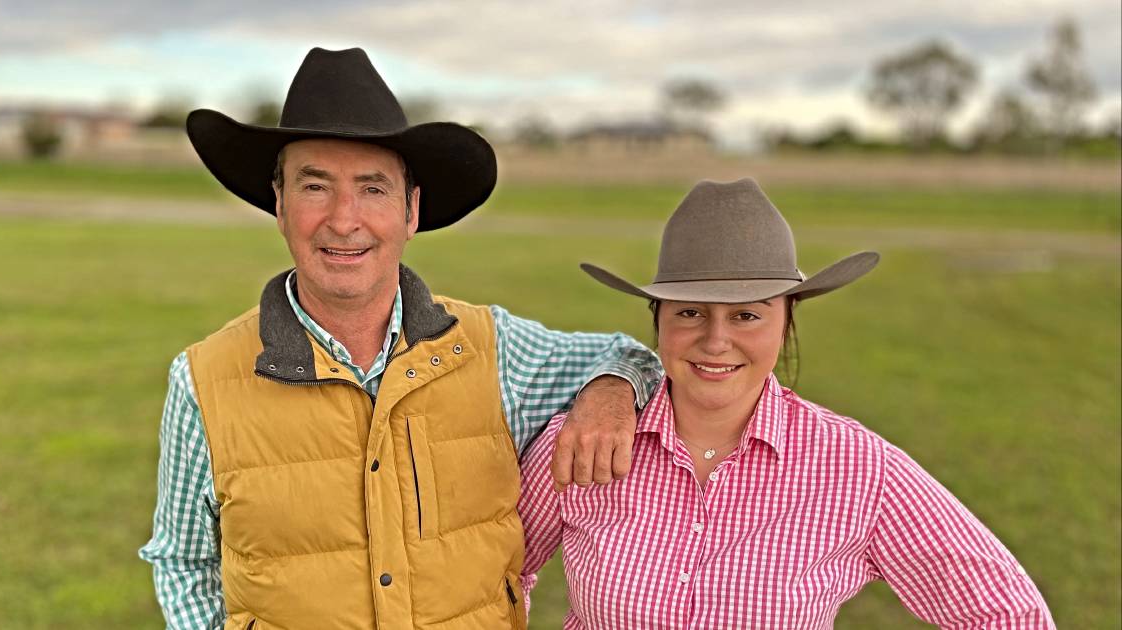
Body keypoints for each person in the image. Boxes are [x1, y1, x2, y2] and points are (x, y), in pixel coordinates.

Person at [138, 47, 661, 630]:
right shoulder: (202, 380)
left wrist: (612, 389)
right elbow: (183, 561)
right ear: (279, 204)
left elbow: (632, 354)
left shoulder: (497, 349)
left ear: (412, 211)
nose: (343, 219)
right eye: (315, 187)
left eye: (373, 188)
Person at [518, 179, 1055, 629]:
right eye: (689, 313)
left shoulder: (860, 469)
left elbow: (1005, 612)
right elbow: (495, 575)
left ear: (785, 322)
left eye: (747, 315)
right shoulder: (582, 442)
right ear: (657, 320)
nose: (715, 340)